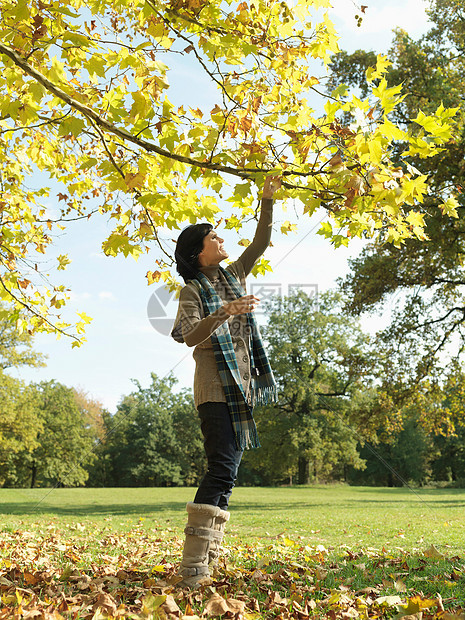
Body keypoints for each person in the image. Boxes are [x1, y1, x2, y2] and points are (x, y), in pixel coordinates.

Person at [171, 176, 281, 587]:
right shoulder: (191, 291)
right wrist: (226, 311)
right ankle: (193, 568)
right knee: (221, 470)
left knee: (227, 474)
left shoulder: (235, 274)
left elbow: (261, 242)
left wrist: (266, 200)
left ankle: (204, 562)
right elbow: (189, 335)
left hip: (241, 391)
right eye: (213, 237)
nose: (221, 239)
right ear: (199, 253)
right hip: (215, 390)